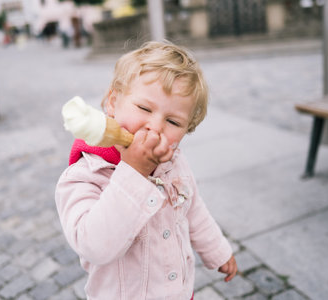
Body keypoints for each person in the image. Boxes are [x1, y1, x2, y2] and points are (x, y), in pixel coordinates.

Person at [55, 41, 237, 300]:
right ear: (113, 102)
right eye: (144, 108)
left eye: (173, 121)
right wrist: (133, 171)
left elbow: (194, 209)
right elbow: (93, 246)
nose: (155, 127)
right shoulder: (84, 176)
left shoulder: (174, 163)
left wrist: (218, 251)